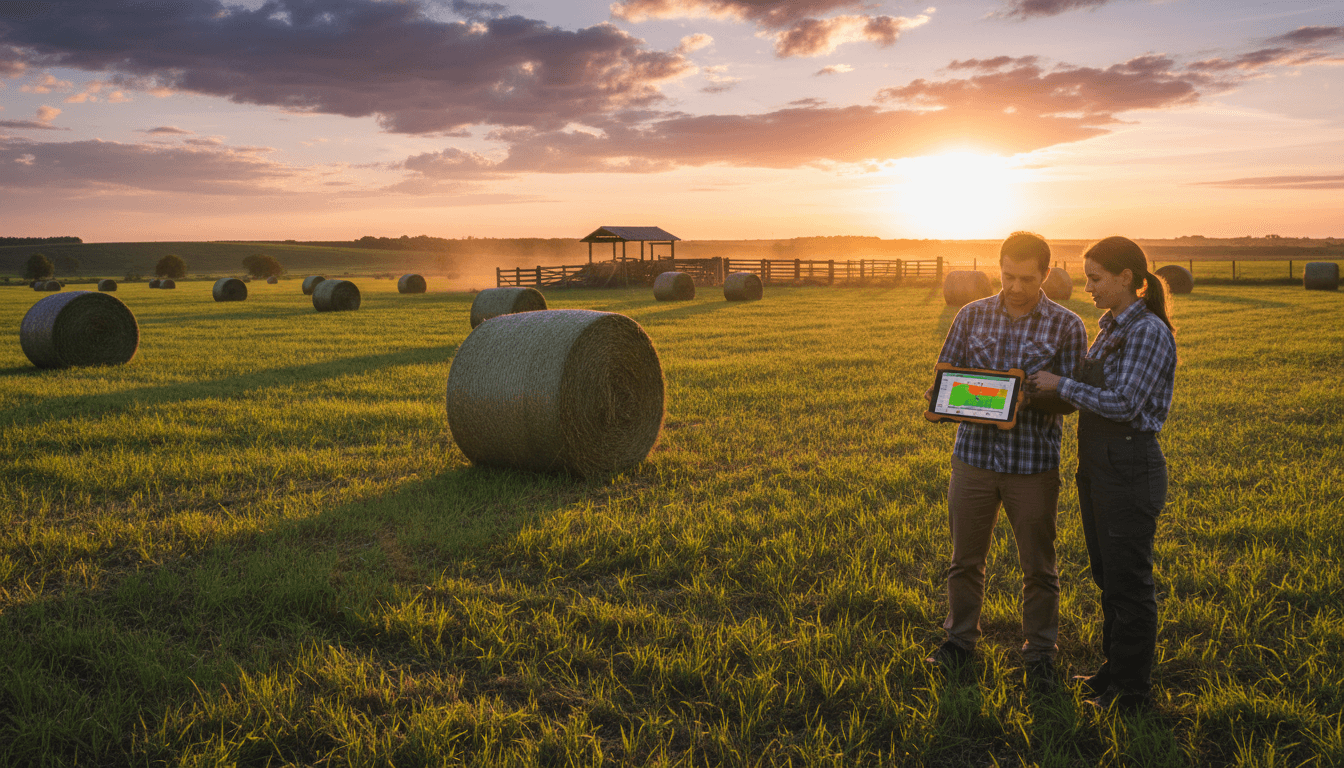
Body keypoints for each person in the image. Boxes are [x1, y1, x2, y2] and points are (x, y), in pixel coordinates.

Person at [925, 232, 1088, 690]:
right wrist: (941, 399)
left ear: (1047, 274)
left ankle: (1040, 654)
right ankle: (959, 641)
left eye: (1027, 279)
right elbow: (947, 373)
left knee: (1039, 567)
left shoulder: (1067, 325)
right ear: (998, 268)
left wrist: (1024, 398)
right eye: (1008, 276)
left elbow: (1071, 399)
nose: (1016, 287)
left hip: (1033, 463)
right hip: (973, 459)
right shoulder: (970, 315)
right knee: (964, 560)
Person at [1027, 236, 1177, 712]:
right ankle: (1114, 672)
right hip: (1099, 461)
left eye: (1095, 278)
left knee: (1129, 583)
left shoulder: (1146, 330)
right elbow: (1093, 390)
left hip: (1128, 463)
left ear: (1126, 277)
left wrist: (1060, 384)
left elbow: (1125, 403)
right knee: (1107, 575)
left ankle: (1131, 694)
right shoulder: (1112, 326)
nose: (1087, 286)